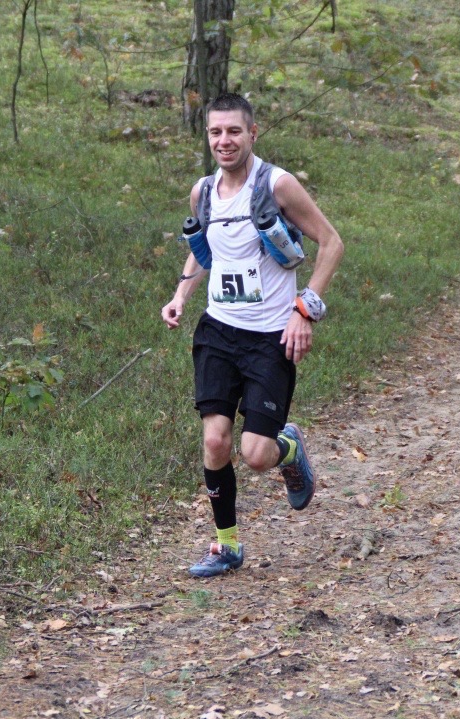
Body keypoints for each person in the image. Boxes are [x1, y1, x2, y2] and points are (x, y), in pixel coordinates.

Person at [161, 93, 344, 578]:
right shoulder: (202, 192)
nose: (224, 141)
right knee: (215, 441)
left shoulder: (277, 185)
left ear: (252, 133)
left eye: (234, 131)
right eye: (215, 132)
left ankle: (289, 448)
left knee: (256, 455)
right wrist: (181, 294)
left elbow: (332, 243)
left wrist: (305, 309)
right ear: (207, 136)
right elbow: (203, 246)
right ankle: (226, 546)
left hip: (269, 338)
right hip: (218, 332)